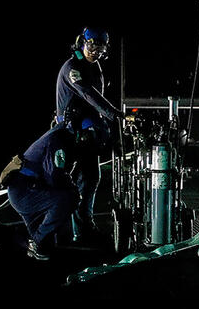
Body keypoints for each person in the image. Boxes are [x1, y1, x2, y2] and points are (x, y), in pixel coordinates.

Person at [55, 27, 124, 242]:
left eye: (100, 48)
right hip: (68, 133)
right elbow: (88, 94)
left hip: (86, 132)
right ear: (82, 43)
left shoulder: (95, 68)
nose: (96, 51)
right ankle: (53, 231)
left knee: (90, 177)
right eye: (92, 46)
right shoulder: (72, 68)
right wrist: (114, 115)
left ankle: (82, 229)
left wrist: (108, 129)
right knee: (59, 182)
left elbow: (95, 103)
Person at [2, 117, 99, 260]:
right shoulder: (58, 141)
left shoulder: (60, 137)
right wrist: (72, 187)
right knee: (70, 198)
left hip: (26, 191)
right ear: (78, 132)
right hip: (26, 192)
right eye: (87, 136)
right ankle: (36, 241)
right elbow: (54, 177)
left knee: (46, 249)